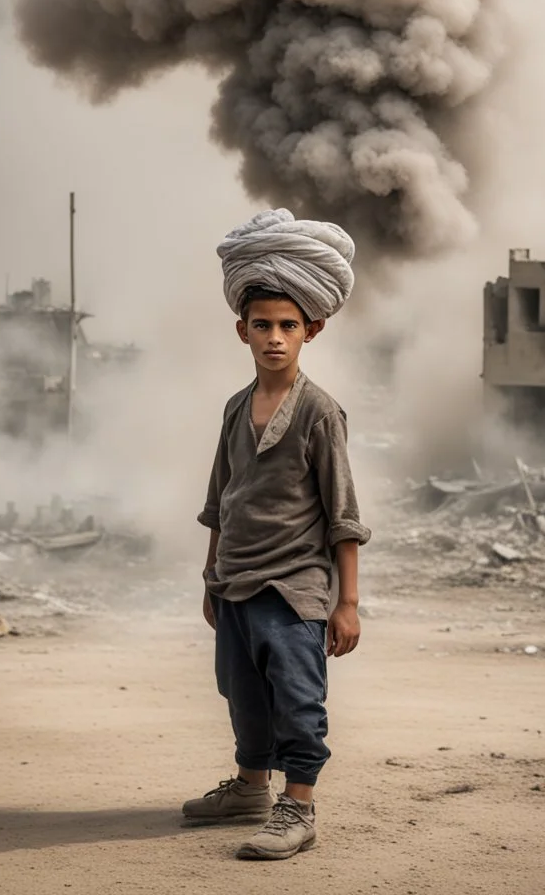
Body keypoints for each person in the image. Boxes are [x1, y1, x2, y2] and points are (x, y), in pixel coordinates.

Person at [182, 209, 371, 860]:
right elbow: (220, 499)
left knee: (296, 694)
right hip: (235, 581)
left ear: (310, 330)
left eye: (288, 325)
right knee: (242, 694)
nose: (274, 337)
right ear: (243, 329)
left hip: (293, 586)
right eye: (262, 324)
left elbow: (343, 514)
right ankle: (248, 788)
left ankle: (299, 807)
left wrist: (346, 602)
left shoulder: (319, 411)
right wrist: (212, 579)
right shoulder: (236, 406)